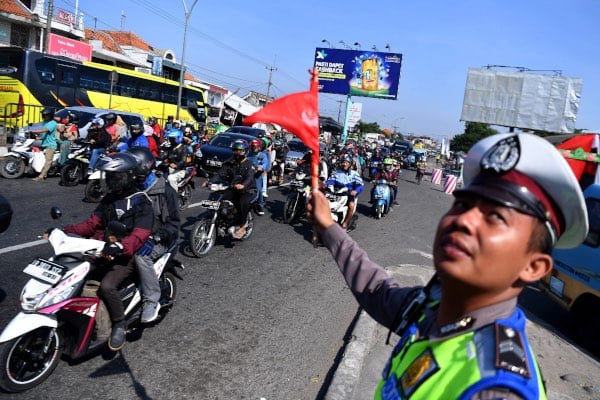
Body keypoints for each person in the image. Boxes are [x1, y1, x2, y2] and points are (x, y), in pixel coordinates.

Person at [306, 133, 588, 399]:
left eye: (495, 217)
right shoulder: (432, 307)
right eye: (462, 205)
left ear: (534, 267)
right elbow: (377, 289)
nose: (463, 221)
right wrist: (329, 227)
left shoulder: (496, 389)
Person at [62, 152, 154, 351]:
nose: (110, 180)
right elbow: (91, 224)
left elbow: (139, 235)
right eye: (109, 176)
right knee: (74, 274)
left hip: (124, 256)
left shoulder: (142, 202)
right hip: (103, 249)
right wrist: (65, 231)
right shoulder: (109, 199)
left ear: (128, 177)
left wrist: (121, 246)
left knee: (106, 286)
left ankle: (119, 324)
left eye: (115, 176)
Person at [128, 146, 181, 323]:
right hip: (134, 234)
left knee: (141, 256)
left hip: (159, 240)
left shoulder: (166, 192)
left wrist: (156, 237)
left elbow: (174, 224)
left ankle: (151, 300)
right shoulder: (131, 189)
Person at [203, 139, 256, 239]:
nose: (237, 152)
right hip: (233, 188)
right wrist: (210, 182)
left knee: (242, 202)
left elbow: (250, 177)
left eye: (240, 150)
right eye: (235, 150)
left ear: (245, 151)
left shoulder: (249, 164)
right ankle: (222, 218)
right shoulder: (229, 163)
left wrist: (243, 185)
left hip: (248, 190)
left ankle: (242, 226)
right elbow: (219, 174)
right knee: (219, 197)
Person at [325, 153, 364, 230]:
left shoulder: (354, 174)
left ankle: (345, 223)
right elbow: (330, 180)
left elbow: (360, 184)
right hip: (336, 194)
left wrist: (355, 191)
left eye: (346, 162)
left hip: (348, 194)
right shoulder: (337, 173)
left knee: (351, 205)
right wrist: (327, 185)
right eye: (343, 162)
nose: (344, 164)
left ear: (350, 164)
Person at [28, 107, 58, 181]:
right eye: (44, 115)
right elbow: (44, 133)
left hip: (50, 145)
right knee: (42, 161)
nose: (44, 116)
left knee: (48, 162)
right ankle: (44, 174)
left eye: (46, 115)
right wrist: (38, 137)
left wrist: (34, 131)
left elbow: (45, 130)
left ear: (50, 115)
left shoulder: (53, 123)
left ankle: (41, 177)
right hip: (44, 144)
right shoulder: (45, 122)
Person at [247, 139, 269, 216]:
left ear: (259, 147)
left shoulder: (262, 155)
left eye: (255, 147)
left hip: (257, 176)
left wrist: (261, 167)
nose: (254, 148)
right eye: (252, 147)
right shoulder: (248, 154)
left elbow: (265, 164)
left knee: (258, 190)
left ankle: (260, 205)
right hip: (247, 174)